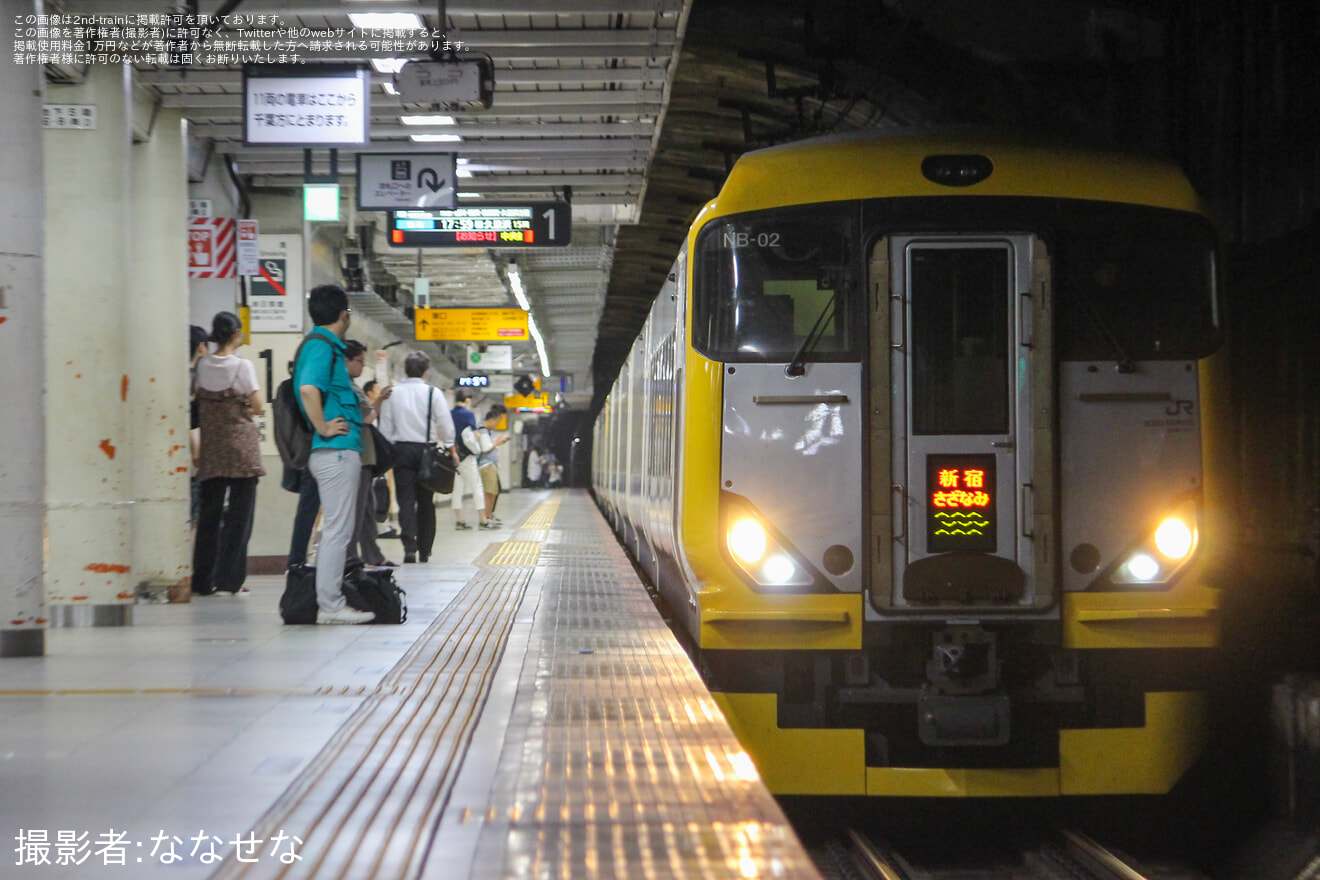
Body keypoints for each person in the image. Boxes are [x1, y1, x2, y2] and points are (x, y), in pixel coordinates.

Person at [294, 285, 374, 625]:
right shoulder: (323, 347)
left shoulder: (323, 346)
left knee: (335, 529)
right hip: (335, 451)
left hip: (336, 452)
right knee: (338, 529)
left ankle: (329, 600)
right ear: (345, 315)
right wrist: (324, 426)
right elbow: (308, 389)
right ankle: (331, 605)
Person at [192, 311, 264, 596]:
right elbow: (257, 405)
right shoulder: (241, 366)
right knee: (239, 517)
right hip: (241, 450)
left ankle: (202, 580)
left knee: (208, 517)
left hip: (212, 449)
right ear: (236, 335)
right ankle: (229, 581)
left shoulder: (202, 366)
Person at [377, 351, 455, 564]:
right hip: (427, 452)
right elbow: (445, 424)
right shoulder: (433, 393)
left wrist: (386, 453)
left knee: (405, 501)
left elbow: (385, 427)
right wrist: (450, 447)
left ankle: (409, 547)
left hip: (401, 452)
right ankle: (425, 549)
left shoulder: (393, 393)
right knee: (426, 502)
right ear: (426, 372)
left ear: (404, 370)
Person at [344, 340, 395, 568]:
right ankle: (351, 558)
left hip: (363, 457)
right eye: (359, 361)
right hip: (358, 456)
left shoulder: (351, 385)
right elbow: (366, 419)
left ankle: (372, 555)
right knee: (356, 511)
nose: (363, 366)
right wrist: (380, 401)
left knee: (365, 510)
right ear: (346, 360)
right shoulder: (347, 387)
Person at [451, 388, 494, 530]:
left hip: (454, 457)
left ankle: (459, 520)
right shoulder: (468, 414)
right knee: (477, 487)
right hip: (467, 457)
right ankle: (483, 520)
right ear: (467, 400)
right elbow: (476, 435)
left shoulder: (450, 413)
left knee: (457, 488)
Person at [476, 405, 510, 526]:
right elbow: (486, 448)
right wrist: (497, 442)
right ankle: (486, 517)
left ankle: (488, 515)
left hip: (490, 464)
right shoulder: (483, 430)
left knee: (493, 491)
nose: (497, 425)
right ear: (492, 419)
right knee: (489, 492)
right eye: (497, 421)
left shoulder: (488, 431)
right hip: (486, 464)